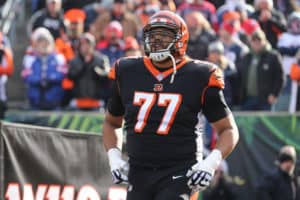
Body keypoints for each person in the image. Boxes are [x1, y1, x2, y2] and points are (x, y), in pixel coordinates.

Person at [102, 10, 239, 199]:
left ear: (181, 40)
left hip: (181, 170)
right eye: (153, 35)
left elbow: (228, 129)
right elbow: (111, 123)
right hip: (139, 171)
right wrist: (114, 156)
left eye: (164, 36)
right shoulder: (127, 71)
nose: (156, 41)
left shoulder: (199, 75)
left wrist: (210, 163)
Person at [237, 29, 284, 111]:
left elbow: (280, 78)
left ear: (264, 41)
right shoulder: (246, 57)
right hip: (248, 99)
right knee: (246, 123)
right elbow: (240, 77)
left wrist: (274, 94)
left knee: (264, 124)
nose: (256, 43)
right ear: (250, 42)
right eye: (254, 40)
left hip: (265, 100)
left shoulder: (273, 56)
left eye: (259, 40)